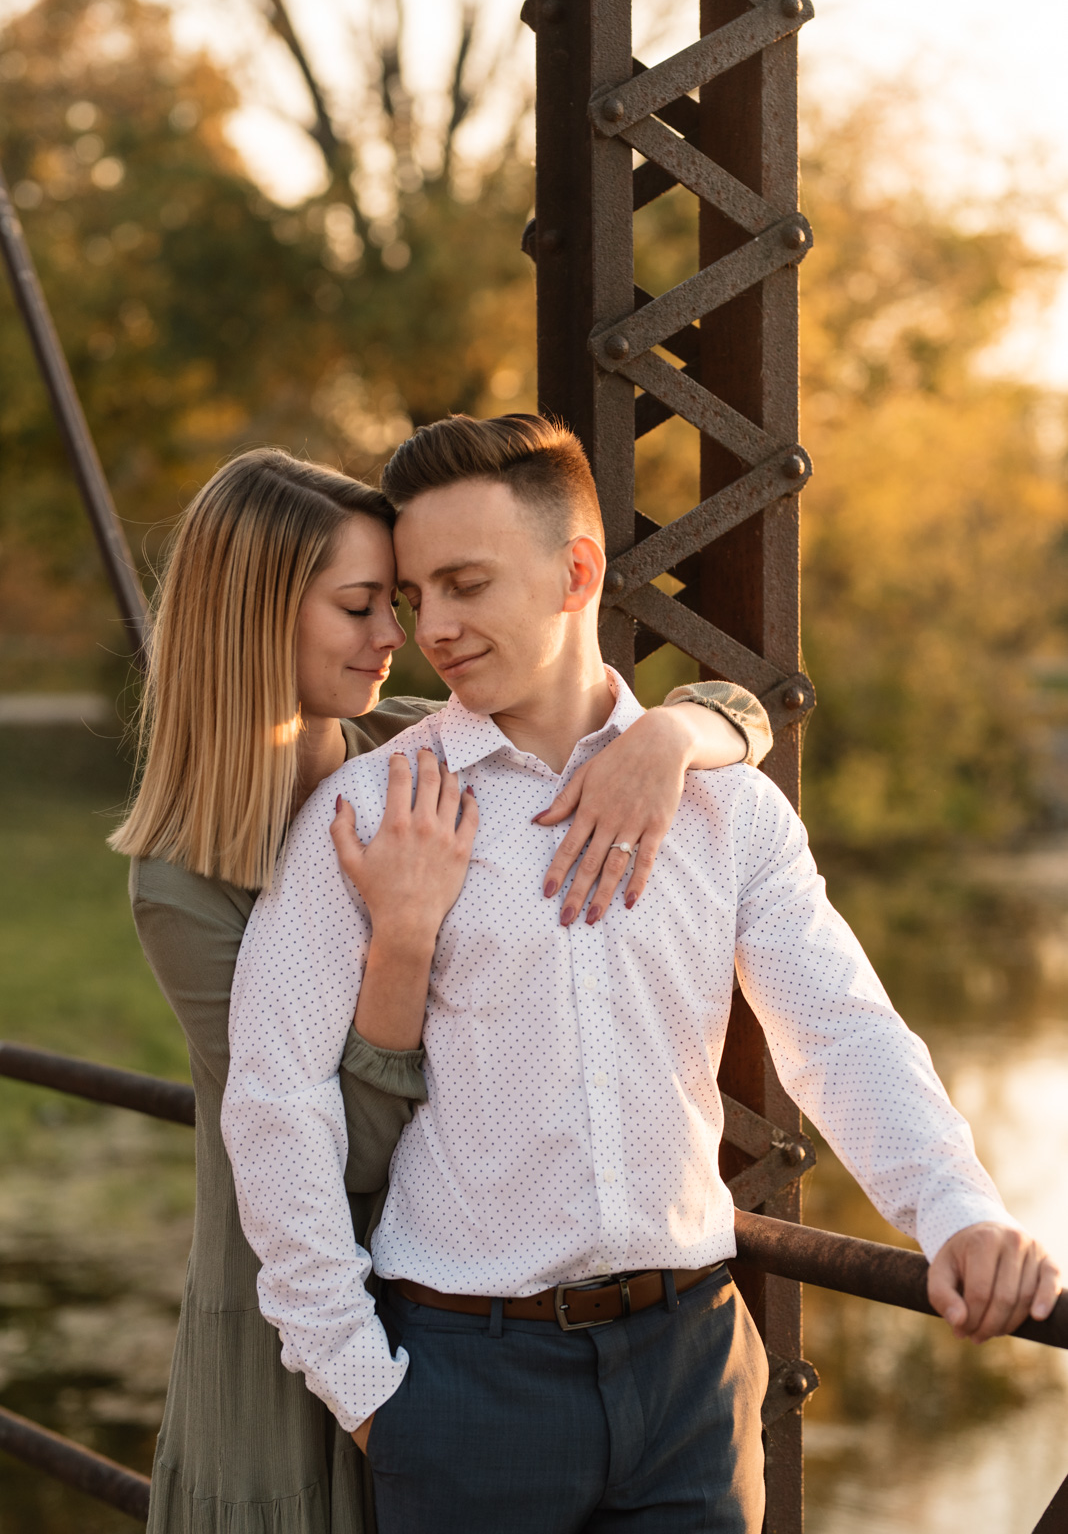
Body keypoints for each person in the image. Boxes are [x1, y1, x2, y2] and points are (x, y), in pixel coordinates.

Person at [222, 415, 1062, 1534]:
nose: (434, 627)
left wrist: (957, 1211)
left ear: (577, 570)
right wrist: (367, 1389)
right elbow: (275, 1100)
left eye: (466, 584)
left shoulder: (726, 809)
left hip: (693, 1378)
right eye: (417, 593)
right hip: (467, 1382)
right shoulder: (371, 810)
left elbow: (841, 1030)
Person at [107, 445, 774, 1534]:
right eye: (365, 606)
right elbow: (343, 1143)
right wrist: (404, 936)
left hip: (464, 1304)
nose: (401, 637)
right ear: (257, 617)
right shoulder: (181, 881)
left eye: (408, 602)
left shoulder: (407, 745)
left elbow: (731, 707)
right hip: (310, 1308)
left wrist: (672, 734)